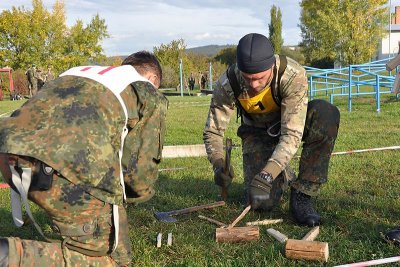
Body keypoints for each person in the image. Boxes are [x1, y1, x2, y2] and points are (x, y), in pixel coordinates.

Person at [0, 51, 168, 266]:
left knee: (121, 250)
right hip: (61, 165)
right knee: (113, 261)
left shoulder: (79, 72)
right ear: (153, 79)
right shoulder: (146, 91)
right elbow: (140, 175)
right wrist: (128, 197)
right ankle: (11, 255)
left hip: (9, 152)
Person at [203, 33, 340, 227]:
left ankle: (303, 194)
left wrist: (266, 175)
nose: (254, 84)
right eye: (248, 78)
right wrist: (218, 164)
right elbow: (213, 131)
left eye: (259, 78)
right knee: (261, 203)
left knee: (326, 114)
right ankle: (284, 174)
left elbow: (291, 133)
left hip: (288, 124)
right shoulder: (227, 83)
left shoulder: (292, 74)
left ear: (272, 67)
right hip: (256, 132)